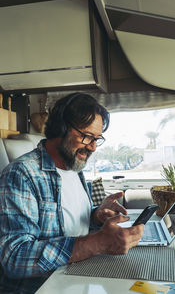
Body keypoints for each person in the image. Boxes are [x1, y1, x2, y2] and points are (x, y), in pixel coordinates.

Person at [0, 92, 144, 293]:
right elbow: (14, 257)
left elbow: (68, 222)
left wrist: (95, 215)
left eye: (97, 139)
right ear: (61, 128)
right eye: (86, 137)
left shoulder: (74, 168)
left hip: (77, 276)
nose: (93, 147)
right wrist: (98, 243)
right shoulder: (22, 174)